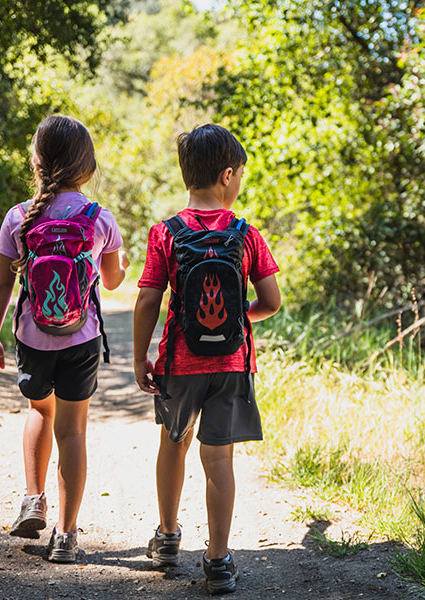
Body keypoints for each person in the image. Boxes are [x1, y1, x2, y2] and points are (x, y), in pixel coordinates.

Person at [133, 124, 281, 594]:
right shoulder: (246, 232)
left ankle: (169, 538)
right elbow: (272, 300)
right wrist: (240, 319)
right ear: (227, 175)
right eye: (239, 177)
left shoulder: (166, 232)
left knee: (173, 443)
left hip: (180, 362)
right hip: (232, 365)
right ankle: (218, 562)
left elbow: (147, 301)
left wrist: (140, 357)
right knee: (220, 460)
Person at [0, 115, 128, 563]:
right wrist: (116, 260)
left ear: (37, 161)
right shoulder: (99, 218)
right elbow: (114, 280)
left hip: (32, 336)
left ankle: (32, 498)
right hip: (81, 340)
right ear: (87, 166)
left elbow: (0, 287)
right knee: (74, 430)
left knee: (39, 410)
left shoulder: (20, 216)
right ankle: (65, 534)